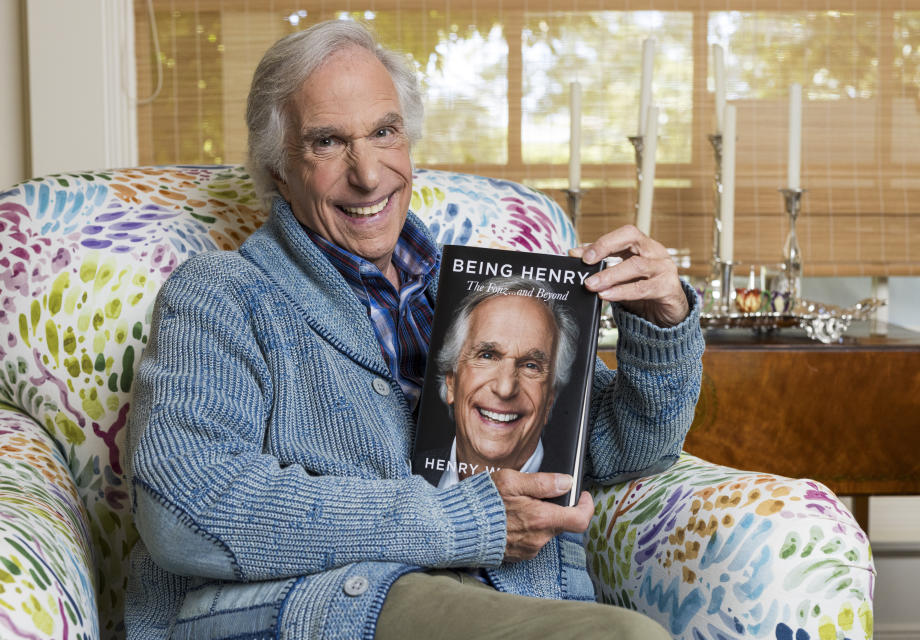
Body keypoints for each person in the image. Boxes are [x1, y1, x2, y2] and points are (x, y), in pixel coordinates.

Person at [125, 19, 704, 640]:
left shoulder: (483, 295)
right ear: (277, 171)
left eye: (384, 132)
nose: (369, 175)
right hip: (329, 613)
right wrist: (464, 523)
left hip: (505, 605)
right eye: (327, 143)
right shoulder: (220, 295)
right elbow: (182, 509)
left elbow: (623, 447)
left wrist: (661, 325)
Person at [420, 276, 578, 487]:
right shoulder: (407, 474)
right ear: (451, 381)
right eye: (487, 355)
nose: (505, 389)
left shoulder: (572, 479)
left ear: (550, 397)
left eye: (530, 365)